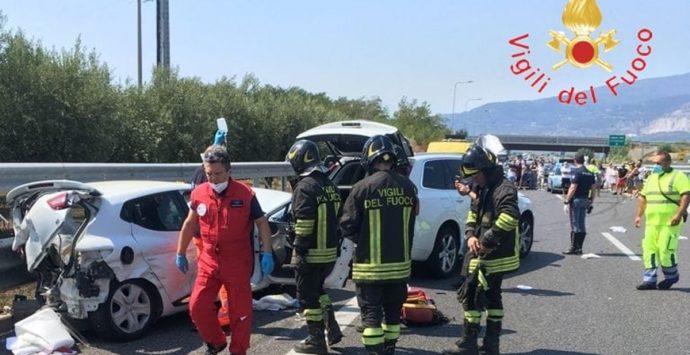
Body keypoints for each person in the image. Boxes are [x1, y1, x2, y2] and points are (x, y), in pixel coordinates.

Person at [176, 144, 275, 355]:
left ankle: (238, 351)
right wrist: (180, 251)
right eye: (209, 174)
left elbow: (262, 222)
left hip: (237, 262)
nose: (213, 179)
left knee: (240, 313)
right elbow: (189, 224)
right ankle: (216, 341)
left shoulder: (245, 194)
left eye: (218, 174)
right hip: (209, 260)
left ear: (229, 171)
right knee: (197, 306)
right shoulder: (199, 193)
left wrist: (267, 251)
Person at [340, 135, 418, 355]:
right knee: (393, 316)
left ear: (368, 158)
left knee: (372, 316)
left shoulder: (362, 188)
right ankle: (389, 349)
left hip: (370, 268)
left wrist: (363, 238)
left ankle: (374, 351)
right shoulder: (409, 187)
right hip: (400, 266)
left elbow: (347, 225)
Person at [443, 143, 520, 355]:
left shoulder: (504, 189)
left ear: (485, 170)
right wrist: (469, 235)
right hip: (484, 251)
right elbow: (473, 213)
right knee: (493, 298)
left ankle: (469, 344)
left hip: (495, 254)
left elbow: (509, 218)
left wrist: (486, 241)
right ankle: (491, 345)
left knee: (472, 297)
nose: (473, 180)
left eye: (476, 175)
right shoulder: (483, 187)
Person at [285, 139, 344, 354]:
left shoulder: (305, 187)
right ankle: (333, 328)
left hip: (310, 253)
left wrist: (298, 249)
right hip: (329, 253)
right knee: (320, 291)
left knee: (307, 297)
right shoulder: (330, 185)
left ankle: (316, 341)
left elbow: (305, 222)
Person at [190, 130, 233, 328]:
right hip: (207, 237)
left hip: (203, 237)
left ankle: (221, 315)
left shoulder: (200, 175)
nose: (213, 177)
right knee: (218, 279)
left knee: (211, 278)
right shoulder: (207, 177)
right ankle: (223, 315)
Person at [633, 150, 690, 290]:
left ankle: (671, 276)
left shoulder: (678, 176)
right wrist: (638, 215)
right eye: (654, 163)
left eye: (658, 163)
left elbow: (686, 195)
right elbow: (643, 197)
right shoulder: (652, 178)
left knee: (665, 249)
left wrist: (678, 214)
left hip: (670, 222)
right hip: (652, 222)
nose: (655, 166)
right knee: (649, 249)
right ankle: (649, 280)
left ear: (668, 162)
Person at [562, 153, 596, 255]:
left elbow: (573, 187)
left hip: (576, 200)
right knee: (582, 223)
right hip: (585, 199)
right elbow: (593, 188)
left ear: (575, 160)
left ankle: (573, 247)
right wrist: (591, 201)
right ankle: (580, 248)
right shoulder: (590, 173)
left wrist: (566, 201)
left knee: (575, 224)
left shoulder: (577, 172)